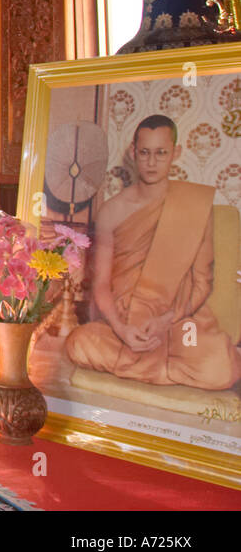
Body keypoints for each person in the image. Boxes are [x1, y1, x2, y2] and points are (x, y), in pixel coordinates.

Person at [66, 114, 241, 390]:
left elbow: (202, 284)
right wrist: (122, 329)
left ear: (176, 153)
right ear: (133, 152)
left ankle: (143, 365)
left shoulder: (195, 205)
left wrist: (165, 321)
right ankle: (160, 367)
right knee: (78, 343)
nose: (151, 162)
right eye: (145, 152)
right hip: (124, 323)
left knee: (219, 365)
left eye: (161, 153)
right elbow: (100, 286)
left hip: (179, 322)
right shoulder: (112, 211)